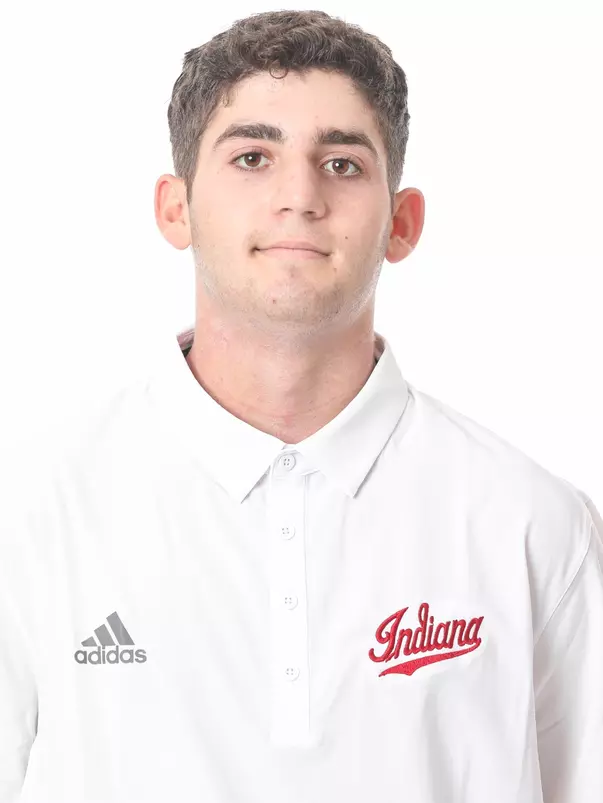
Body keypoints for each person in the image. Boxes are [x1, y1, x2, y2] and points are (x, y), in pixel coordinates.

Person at [1, 9, 601, 803]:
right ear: (174, 209)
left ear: (401, 221)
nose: (298, 196)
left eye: (343, 164)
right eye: (252, 156)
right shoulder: (35, 509)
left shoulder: (533, 524)